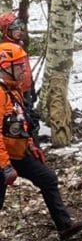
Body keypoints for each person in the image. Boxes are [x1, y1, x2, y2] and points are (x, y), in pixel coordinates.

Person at [0, 42, 82, 241]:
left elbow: (20, 123)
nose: (24, 70)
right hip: (3, 157)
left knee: (48, 178)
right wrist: (5, 166)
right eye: (19, 65)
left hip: (18, 152)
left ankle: (64, 225)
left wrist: (30, 144)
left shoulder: (13, 90)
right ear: (5, 66)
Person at [0, 12, 39, 143]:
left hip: (25, 88)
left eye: (19, 28)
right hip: (14, 91)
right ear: (6, 31)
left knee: (31, 119)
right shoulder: (5, 50)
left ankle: (33, 145)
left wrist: (31, 87)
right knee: (20, 122)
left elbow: (26, 69)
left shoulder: (20, 45)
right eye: (14, 29)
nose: (18, 31)